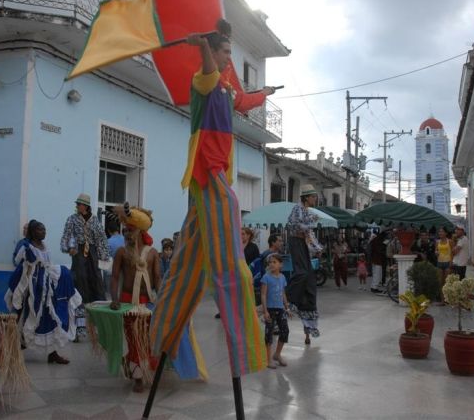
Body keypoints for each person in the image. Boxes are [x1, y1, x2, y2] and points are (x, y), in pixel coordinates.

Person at [150, 20, 275, 379]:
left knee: (187, 264)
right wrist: (203, 44)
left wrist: (265, 92)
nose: (227, 59)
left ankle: (162, 331)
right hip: (207, 175)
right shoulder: (203, 83)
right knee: (230, 263)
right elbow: (208, 65)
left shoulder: (227, 91)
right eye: (225, 52)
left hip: (216, 176)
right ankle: (245, 350)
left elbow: (245, 98)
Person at [7, 220, 81, 364]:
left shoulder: (44, 246)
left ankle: (52, 353)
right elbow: (19, 262)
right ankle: (12, 350)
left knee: (50, 316)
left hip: (46, 288)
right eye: (41, 230)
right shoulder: (27, 246)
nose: (44, 232)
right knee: (27, 316)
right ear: (33, 232)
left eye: (45, 229)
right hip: (32, 288)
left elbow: (48, 264)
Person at [109, 203, 161, 392]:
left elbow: (157, 279)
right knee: (133, 338)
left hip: (147, 303)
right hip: (127, 301)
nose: (127, 235)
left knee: (146, 338)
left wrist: (162, 299)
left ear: (139, 232)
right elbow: (115, 277)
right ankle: (138, 376)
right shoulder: (121, 252)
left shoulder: (153, 253)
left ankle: (137, 366)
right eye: (125, 231)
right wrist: (114, 299)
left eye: (130, 231)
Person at [60, 193, 110, 340]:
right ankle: (79, 328)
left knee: (97, 288)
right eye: (77, 204)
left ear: (86, 206)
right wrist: (70, 248)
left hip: (93, 257)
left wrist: (104, 257)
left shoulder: (95, 221)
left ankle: (99, 326)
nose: (77, 206)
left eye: (79, 204)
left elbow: (102, 240)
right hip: (79, 256)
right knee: (79, 288)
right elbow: (65, 238)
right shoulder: (72, 220)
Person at [287, 184, 322, 345]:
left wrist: (317, 248)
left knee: (309, 282)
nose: (315, 199)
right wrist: (311, 222)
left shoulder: (306, 211)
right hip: (295, 242)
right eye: (313, 196)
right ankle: (290, 300)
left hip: (302, 244)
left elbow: (309, 234)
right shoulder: (298, 209)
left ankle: (309, 324)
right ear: (306, 197)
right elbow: (295, 225)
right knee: (301, 273)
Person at [260, 253, 290, 369]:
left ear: (280, 264)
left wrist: (286, 308)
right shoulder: (266, 278)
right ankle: (268, 360)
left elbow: (283, 293)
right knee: (269, 334)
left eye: (274, 262)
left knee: (285, 331)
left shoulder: (282, 277)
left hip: (280, 309)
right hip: (270, 310)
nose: (272, 264)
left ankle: (277, 354)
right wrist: (265, 311)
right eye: (270, 262)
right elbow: (263, 295)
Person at [435, 226, 453, 301]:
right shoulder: (437, 242)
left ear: (446, 233)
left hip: (447, 263)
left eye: (442, 231)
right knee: (440, 282)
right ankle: (442, 300)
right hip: (439, 263)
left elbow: (453, 253)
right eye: (439, 231)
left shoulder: (450, 241)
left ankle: (447, 299)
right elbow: (435, 250)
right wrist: (436, 253)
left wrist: (451, 262)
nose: (440, 233)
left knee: (447, 282)